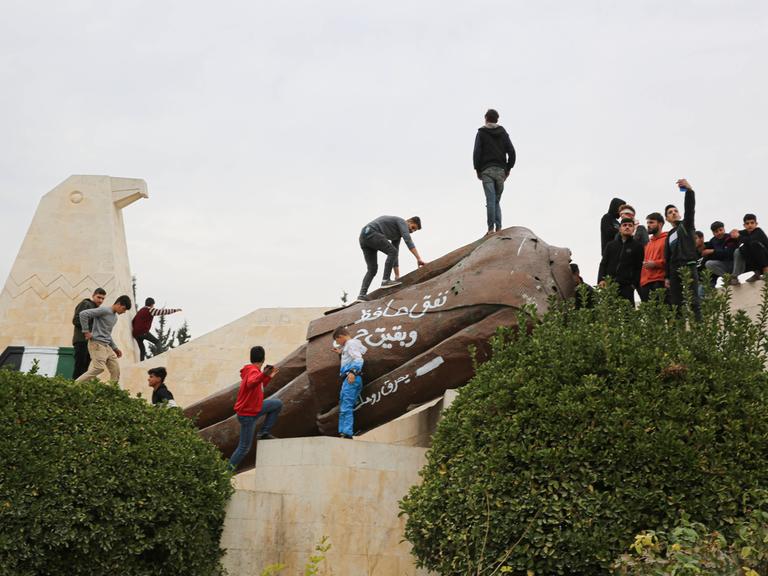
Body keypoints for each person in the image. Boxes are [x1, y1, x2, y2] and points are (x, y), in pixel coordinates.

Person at [228, 346, 283, 470]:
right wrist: (264, 374)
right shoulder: (253, 371)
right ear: (263, 359)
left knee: (276, 404)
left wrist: (268, 377)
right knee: (243, 448)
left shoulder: (252, 371)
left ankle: (264, 432)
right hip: (247, 414)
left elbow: (258, 385)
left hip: (254, 409)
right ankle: (225, 474)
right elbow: (251, 383)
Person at [357, 215, 425, 301]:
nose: (411, 231)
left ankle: (361, 295)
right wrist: (418, 258)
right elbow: (407, 239)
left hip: (364, 237)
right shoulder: (402, 222)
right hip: (372, 232)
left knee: (372, 269)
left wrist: (397, 276)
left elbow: (395, 255)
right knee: (392, 251)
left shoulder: (397, 235)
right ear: (409, 221)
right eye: (412, 227)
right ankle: (385, 280)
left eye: (414, 231)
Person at [473, 109, 516, 235]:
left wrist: (477, 169)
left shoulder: (481, 133)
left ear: (486, 118)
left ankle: (491, 229)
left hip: (486, 170)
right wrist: (508, 168)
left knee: (491, 200)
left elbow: (477, 153)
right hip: (500, 171)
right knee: (496, 201)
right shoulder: (503, 133)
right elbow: (512, 152)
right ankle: (499, 228)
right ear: (497, 119)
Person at [664, 179, 701, 319]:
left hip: (688, 265)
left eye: (675, 211)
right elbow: (667, 257)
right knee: (676, 305)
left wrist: (689, 191)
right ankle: (680, 334)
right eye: (670, 212)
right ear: (667, 218)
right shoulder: (669, 235)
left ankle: (699, 331)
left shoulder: (686, 225)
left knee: (693, 301)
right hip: (674, 270)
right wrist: (667, 276)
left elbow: (690, 208)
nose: (673, 213)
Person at [75, 295, 132, 383]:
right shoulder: (104, 310)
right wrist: (86, 331)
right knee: (99, 368)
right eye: (124, 309)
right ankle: (75, 385)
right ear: (119, 304)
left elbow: (108, 334)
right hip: (97, 344)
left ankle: (111, 392)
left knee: (115, 371)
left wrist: (115, 348)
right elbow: (83, 314)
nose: (124, 312)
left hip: (107, 347)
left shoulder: (115, 317)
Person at [597, 218, 644, 306]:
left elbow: (639, 268)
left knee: (628, 316)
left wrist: (633, 285)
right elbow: (603, 264)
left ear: (633, 229)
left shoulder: (638, 246)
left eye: (630, 225)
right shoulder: (611, 245)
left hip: (627, 286)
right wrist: (601, 279)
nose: (627, 227)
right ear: (620, 228)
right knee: (609, 314)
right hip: (609, 285)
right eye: (624, 225)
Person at [332, 326, 368, 439]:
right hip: (350, 379)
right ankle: (344, 431)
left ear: (340, 337)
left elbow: (358, 359)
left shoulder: (351, 343)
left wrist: (353, 372)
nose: (338, 343)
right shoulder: (349, 345)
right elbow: (350, 357)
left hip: (351, 378)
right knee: (345, 405)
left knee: (346, 406)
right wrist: (341, 353)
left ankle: (346, 433)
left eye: (337, 341)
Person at [70, 287, 107, 379]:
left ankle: (79, 390)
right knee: (79, 369)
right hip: (81, 340)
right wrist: (89, 330)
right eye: (99, 297)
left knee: (85, 370)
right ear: (93, 295)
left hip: (90, 343)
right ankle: (73, 389)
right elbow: (76, 320)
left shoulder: (96, 309)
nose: (101, 300)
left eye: (103, 298)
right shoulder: (86, 304)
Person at [730, 214, 768, 283]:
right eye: (747, 223)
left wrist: (738, 236)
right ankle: (757, 273)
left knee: (753, 244)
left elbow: (750, 240)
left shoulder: (758, 231)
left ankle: (766, 271)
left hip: (766, 258)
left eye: (752, 223)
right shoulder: (745, 232)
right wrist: (733, 232)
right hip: (757, 262)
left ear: (756, 224)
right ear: (744, 225)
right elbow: (734, 234)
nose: (750, 225)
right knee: (742, 248)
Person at [639, 213, 667, 302]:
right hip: (645, 283)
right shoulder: (647, 243)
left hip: (659, 281)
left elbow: (670, 260)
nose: (648, 225)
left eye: (651, 223)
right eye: (647, 223)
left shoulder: (666, 239)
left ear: (660, 224)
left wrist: (655, 263)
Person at [704, 221, 738, 286]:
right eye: (716, 231)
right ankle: (728, 278)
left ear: (724, 229)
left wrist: (714, 251)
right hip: (722, 265)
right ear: (713, 233)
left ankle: (734, 277)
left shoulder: (730, 237)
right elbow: (706, 251)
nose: (719, 233)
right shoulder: (713, 241)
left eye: (720, 230)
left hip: (734, 263)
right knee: (708, 264)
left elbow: (729, 253)